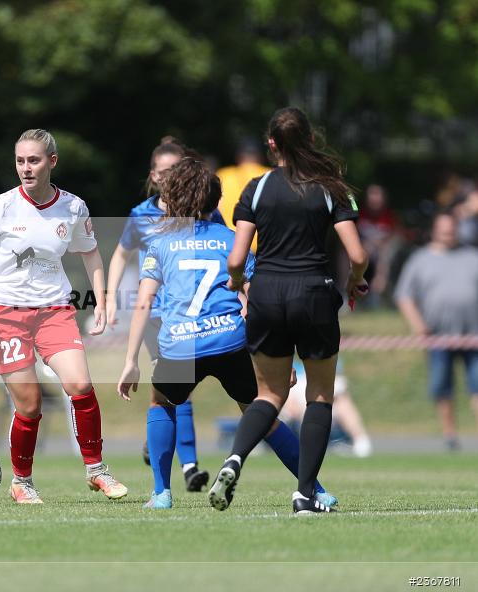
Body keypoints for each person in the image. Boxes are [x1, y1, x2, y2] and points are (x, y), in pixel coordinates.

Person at [116, 157, 335, 510]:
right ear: (215, 201)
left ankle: (161, 494)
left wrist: (130, 361)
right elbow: (256, 299)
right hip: (230, 340)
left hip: (181, 346)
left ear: (171, 199)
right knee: (262, 414)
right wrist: (279, 359)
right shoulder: (232, 241)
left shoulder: (160, 244)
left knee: (161, 402)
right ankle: (315, 489)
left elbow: (144, 303)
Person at [210, 107, 368, 515]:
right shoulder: (330, 188)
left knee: (269, 395)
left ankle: (234, 459)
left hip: (266, 294)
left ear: (271, 144)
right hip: (314, 294)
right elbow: (358, 254)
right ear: (310, 141)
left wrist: (238, 284)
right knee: (318, 397)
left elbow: (236, 259)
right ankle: (304, 495)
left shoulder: (256, 189)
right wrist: (353, 282)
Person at [0, 128, 128, 504]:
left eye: (34, 160)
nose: (26, 168)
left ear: (51, 162)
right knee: (30, 404)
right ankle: (22, 481)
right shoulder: (0, 207)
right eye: (20, 161)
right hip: (5, 314)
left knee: (81, 386)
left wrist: (102, 301)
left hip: (54, 310)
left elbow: (89, 253)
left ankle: (96, 471)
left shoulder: (73, 207)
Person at [106, 137, 220, 492]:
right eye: (166, 171)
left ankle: (160, 444)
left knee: (174, 389)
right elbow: (121, 255)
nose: (173, 178)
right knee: (177, 386)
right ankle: (188, 467)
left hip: (192, 312)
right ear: (154, 176)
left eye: (178, 170)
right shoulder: (141, 215)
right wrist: (109, 298)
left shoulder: (203, 211)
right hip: (157, 314)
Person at [395, 213, 478, 451]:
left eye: (451, 228)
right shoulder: (420, 259)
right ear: (434, 230)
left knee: (477, 385)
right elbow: (404, 295)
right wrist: (417, 324)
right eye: (443, 229)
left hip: (473, 336)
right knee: (443, 387)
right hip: (438, 337)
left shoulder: (472, 256)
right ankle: (450, 436)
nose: (447, 233)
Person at [282, 357, 373, 458]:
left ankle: (360, 440)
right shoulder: (292, 367)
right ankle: (311, 444)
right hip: (298, 416)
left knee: (342, 402)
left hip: (326, 408)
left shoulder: (325, 361)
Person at [216, 138, 270, 252]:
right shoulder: (271, 175)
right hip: (264, 249)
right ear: (261, 157)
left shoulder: (223, 175)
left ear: (239, 157)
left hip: (230, 246)